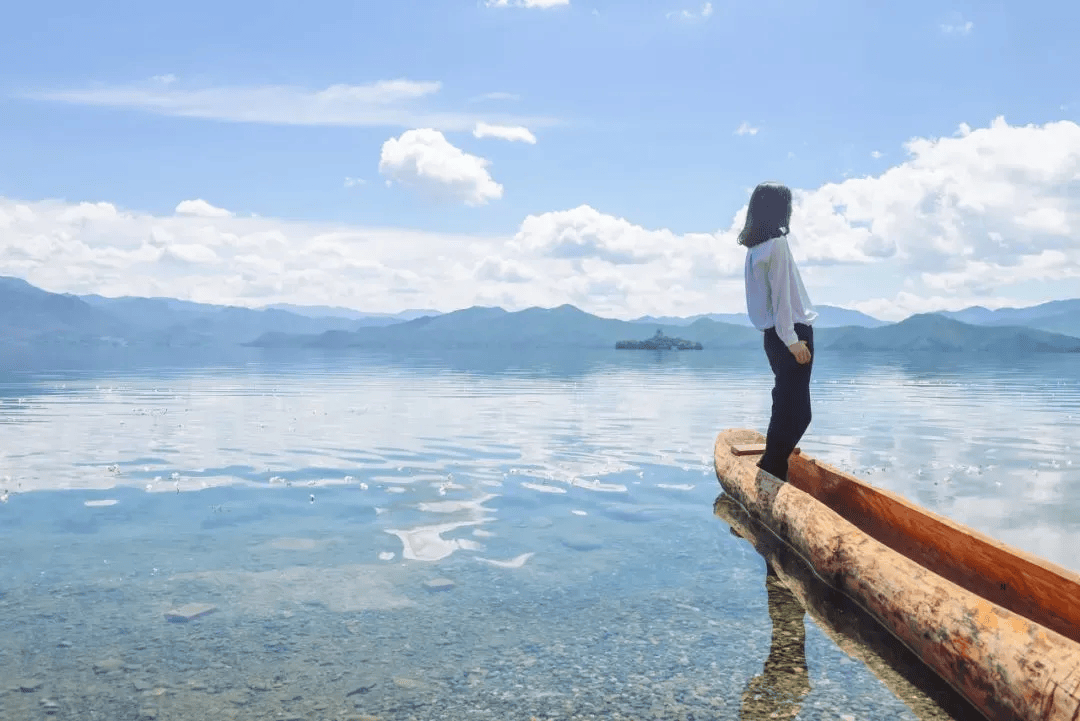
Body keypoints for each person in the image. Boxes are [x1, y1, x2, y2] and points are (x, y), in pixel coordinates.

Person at [739, 182, 817, 482]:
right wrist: (793, 340)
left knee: (784, 404)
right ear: (779, 209)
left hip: (772, 335)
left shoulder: (754, 250)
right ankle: (770, 469)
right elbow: (783, 298)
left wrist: (780, 335)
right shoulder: (777, 246)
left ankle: (776, 469)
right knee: (798, 413)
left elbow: (760, 303)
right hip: (791, 333)